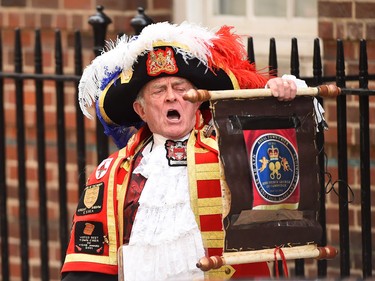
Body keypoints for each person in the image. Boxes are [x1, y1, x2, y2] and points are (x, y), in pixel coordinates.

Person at [61, 22, 298, 281]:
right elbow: (87, 268)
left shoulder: (232, 152)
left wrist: (282, 101)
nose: (172, 97)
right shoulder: (114, 173)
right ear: (141, 110)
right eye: (159, 90)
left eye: (181, 88)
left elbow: (282, 167)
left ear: (197, 100)